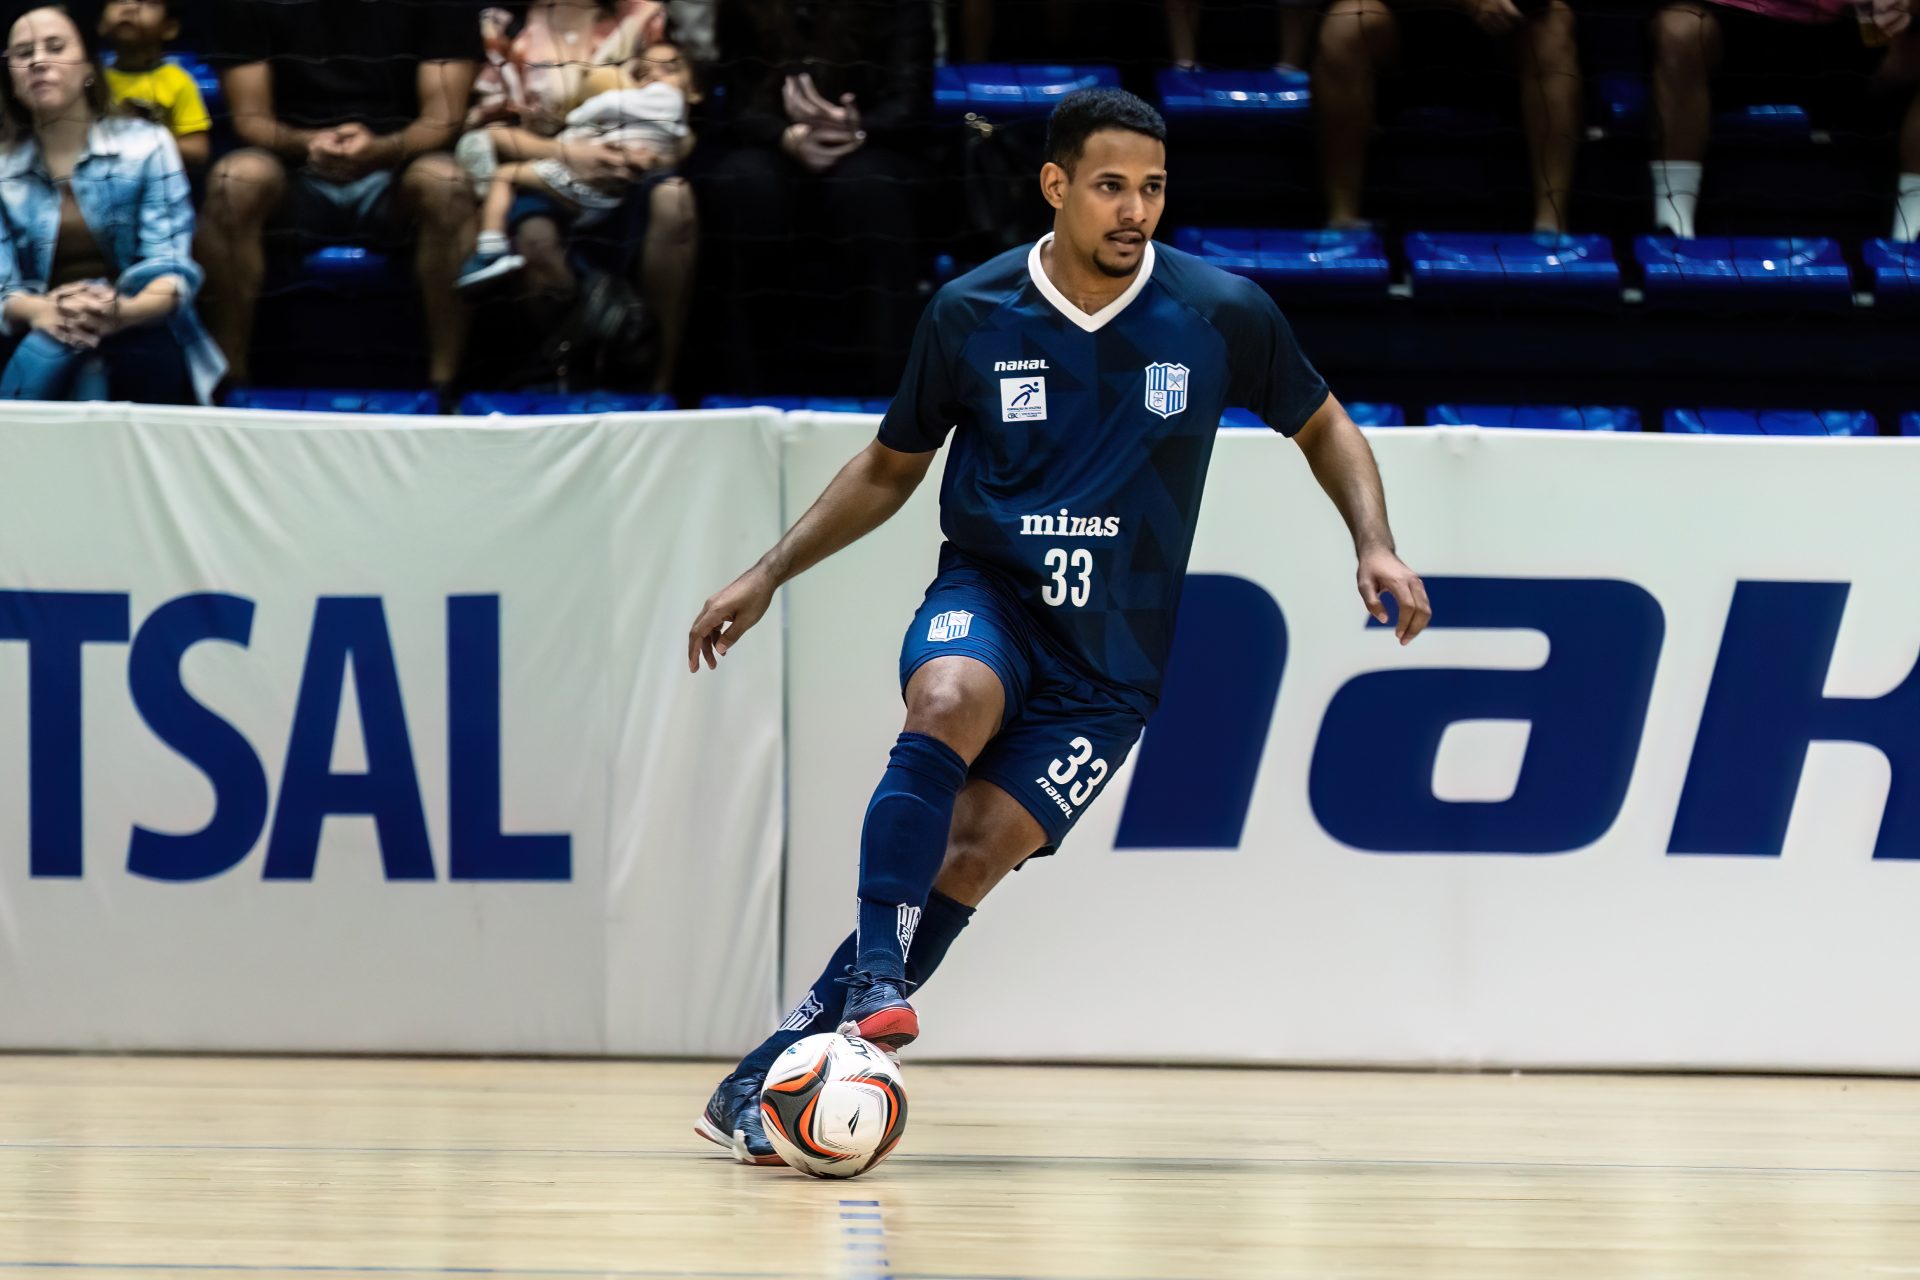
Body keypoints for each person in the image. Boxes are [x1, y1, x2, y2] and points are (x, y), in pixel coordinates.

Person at [686, 88, 1433, 1165]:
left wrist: (1375, 542)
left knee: (971, 856)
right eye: (1111, 186)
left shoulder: (1221, 312)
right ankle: (879, 981)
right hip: (992, 597)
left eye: (1153, 189)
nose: (1136, 211)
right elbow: (889, 468)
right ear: (1055, 185)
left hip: (1111, 667)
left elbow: (1327, 428)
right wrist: (767, 573)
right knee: (947, 697)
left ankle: (766, 1075)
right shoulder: (972, 310)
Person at [196, 0, 481, 394]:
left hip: (400, 171)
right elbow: (251, 120)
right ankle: (228, 385)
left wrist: (385, 149)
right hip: (291, 173)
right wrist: (309, 143)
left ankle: (445, 388)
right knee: (233, 183)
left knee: (447, 185)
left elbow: (442, 119)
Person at [457, 1, 696, 393]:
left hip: (636, 176)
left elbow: (682, 114)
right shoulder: (503, 29)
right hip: (545, 169)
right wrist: (569, 153)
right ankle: (566, 365)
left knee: (675, 199)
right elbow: (489, 133)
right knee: (534, 237)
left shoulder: (645, 20)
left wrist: (649, 157)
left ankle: (661, 383)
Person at [699, 0, 934, 391]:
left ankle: (891, 390)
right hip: (776, 146)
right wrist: (786, 136)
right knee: (743, 183)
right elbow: (737, 108)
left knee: (870, 189)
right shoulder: (744, 8)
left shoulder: (902, 8)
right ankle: (740, 385)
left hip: (876, 146)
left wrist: (855, 127)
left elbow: (911, 105)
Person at [0, 4, 224, 403]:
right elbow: (3, 289)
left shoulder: (149, 144)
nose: (38, 61)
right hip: (31, 322)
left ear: (89, 67)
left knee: (149, 368)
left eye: (55, 47)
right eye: (23, 53)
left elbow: (171, 268)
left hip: (137, 318)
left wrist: (121, 312)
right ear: (11, 78)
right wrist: (42, 312)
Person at [1649, 0, 1919, 239]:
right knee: (1680, 28)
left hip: (1850, 35)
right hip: (1735, 27)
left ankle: (1913, 232)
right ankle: (1673, 224)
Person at [1312, 0, 1582, 233]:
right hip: (1402, 32)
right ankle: (1343, 221)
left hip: (1501, 35)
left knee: (1554, 23)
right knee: (1346, 23)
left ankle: (1551, 226)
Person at [97, 0, 209, 170]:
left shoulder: (178, 81)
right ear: (101, 24)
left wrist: (147, 140)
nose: (130, 7)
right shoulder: (94, 81)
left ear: (169, 28)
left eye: (148, 2)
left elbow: (198, 150)